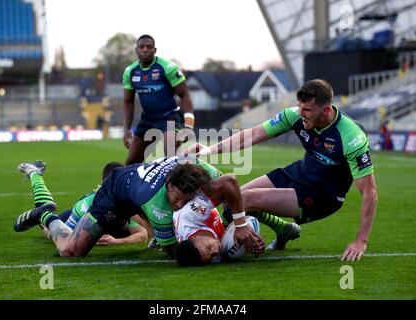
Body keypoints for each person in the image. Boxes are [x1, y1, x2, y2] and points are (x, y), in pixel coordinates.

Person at [185, 79, 378, 262]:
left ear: (326, 110)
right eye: (300, 107)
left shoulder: (352, 137)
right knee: (232, 199)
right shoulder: (295, 115)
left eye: (307, 110)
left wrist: (361, 240)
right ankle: (283, 229)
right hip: (298, 173)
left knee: (244, 200)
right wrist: (209, 150)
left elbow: (369, 192)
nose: (301, 114)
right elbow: (253, 135)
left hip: (323, 195)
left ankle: (215, 246)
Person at [13, 156, 262, 259]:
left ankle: (283, 227)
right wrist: (216, 251)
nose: (177, 205)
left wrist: (241, 226)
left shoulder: (204, 173)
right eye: (174, 198)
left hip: (138, 184)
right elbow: (175, 251)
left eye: (183, 201)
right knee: (70, 251)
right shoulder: (158, 203)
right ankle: (46, 213)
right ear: (168, 185)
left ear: (197, 189)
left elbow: (231, 183)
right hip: (116, 193)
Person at [15, 161, 149, 246]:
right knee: (51, 233)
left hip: (103, 219)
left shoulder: (125, 200)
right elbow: (66, 239)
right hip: (74, 215)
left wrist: (116, 242)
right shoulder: (86, 207)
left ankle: (43, 215)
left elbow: (143, 234)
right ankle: (34, 174)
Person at [123, 34, 195, 164]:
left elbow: (185, 95)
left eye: (149, 47)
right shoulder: (130, 71)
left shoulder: (167, 68)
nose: (145, 49)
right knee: (131, 162)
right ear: (136, 50)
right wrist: (127, 129)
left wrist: (188, 125)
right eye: (142, 47)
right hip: (147, 119)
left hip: (169, 117)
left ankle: (180, 182)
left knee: (171, 157)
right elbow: (128, 102)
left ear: (155, 50)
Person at [174, 190, 263, 267]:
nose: (215, 251)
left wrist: (241, 225)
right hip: (213, 222)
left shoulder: (193, 213)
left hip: (191, 187)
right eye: (211, 256)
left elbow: (228, 183)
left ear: (194, 237)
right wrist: (252, 243)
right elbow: (234, 248)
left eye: (208, 248)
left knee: (243, 200)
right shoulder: (210, 255)